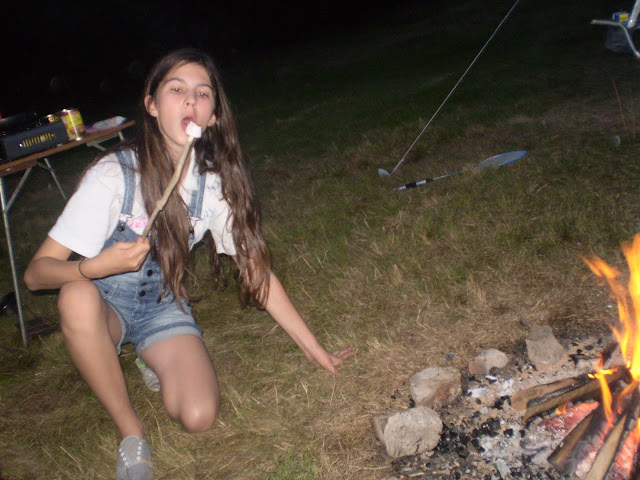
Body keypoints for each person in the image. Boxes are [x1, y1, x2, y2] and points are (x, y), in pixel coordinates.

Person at [23, 48, 356, 480]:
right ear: (151, 105)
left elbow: (255, 270)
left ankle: (149, 356)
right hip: (104, 308)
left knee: (199, 415)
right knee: (75, 297)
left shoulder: (212, 183)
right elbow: (35, 275)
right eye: (176, 89)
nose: (189, 101)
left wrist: (316, 350)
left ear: (212, 115)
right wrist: (94, 267)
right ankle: (131, 432)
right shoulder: (115, 175)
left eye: (202, 94)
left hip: (163, 306)